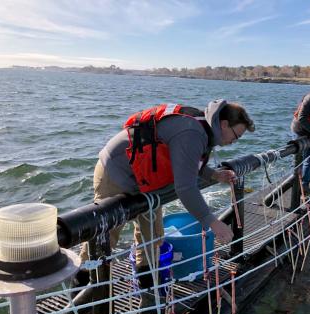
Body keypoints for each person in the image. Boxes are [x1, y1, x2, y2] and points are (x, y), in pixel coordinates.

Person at [79, 100, 255, 298]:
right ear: (223, 124)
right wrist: (212, 222)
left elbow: (184, 160)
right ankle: (83, 294)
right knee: (106, 237)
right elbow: (185, 188)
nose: (235, 141)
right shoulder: (193, 133)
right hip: (116, 172)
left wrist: (213, 175)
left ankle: (148, 295)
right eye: (236, 135)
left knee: (153, 238)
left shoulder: (201, 128)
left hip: (145, 180)